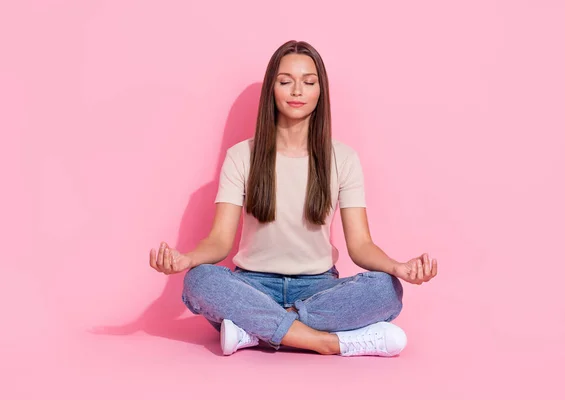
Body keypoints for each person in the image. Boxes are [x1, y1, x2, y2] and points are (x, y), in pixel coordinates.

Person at [149, 40, 438, 357]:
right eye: (286, 81)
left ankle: (257, 331)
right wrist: (186, 260)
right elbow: (219, 241)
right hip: (254, 286)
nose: (297, 91)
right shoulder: (241, 156)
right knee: (201, 280)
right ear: (272, 89)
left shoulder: (343, 158)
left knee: (387, 289)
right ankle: (326, 342)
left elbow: (361, 246)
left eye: (308, 82)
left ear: (320, 91)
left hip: (317, 289)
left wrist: (399, 267)